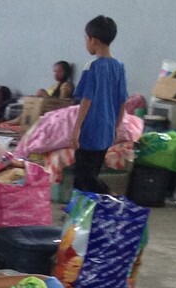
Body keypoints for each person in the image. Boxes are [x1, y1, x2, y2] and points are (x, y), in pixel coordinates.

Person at [70, 16, 125, 195]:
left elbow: (86, 100)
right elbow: (122, 100)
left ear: (93, 40)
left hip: (90, 129)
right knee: (87, 173)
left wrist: (76, 128)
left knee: (86, 176)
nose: (86, 42)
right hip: (107, 129)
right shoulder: (119, 67)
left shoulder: (92, 67)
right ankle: (76, 212)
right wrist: (117, 127)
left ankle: (109, 197)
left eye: (85, 38)